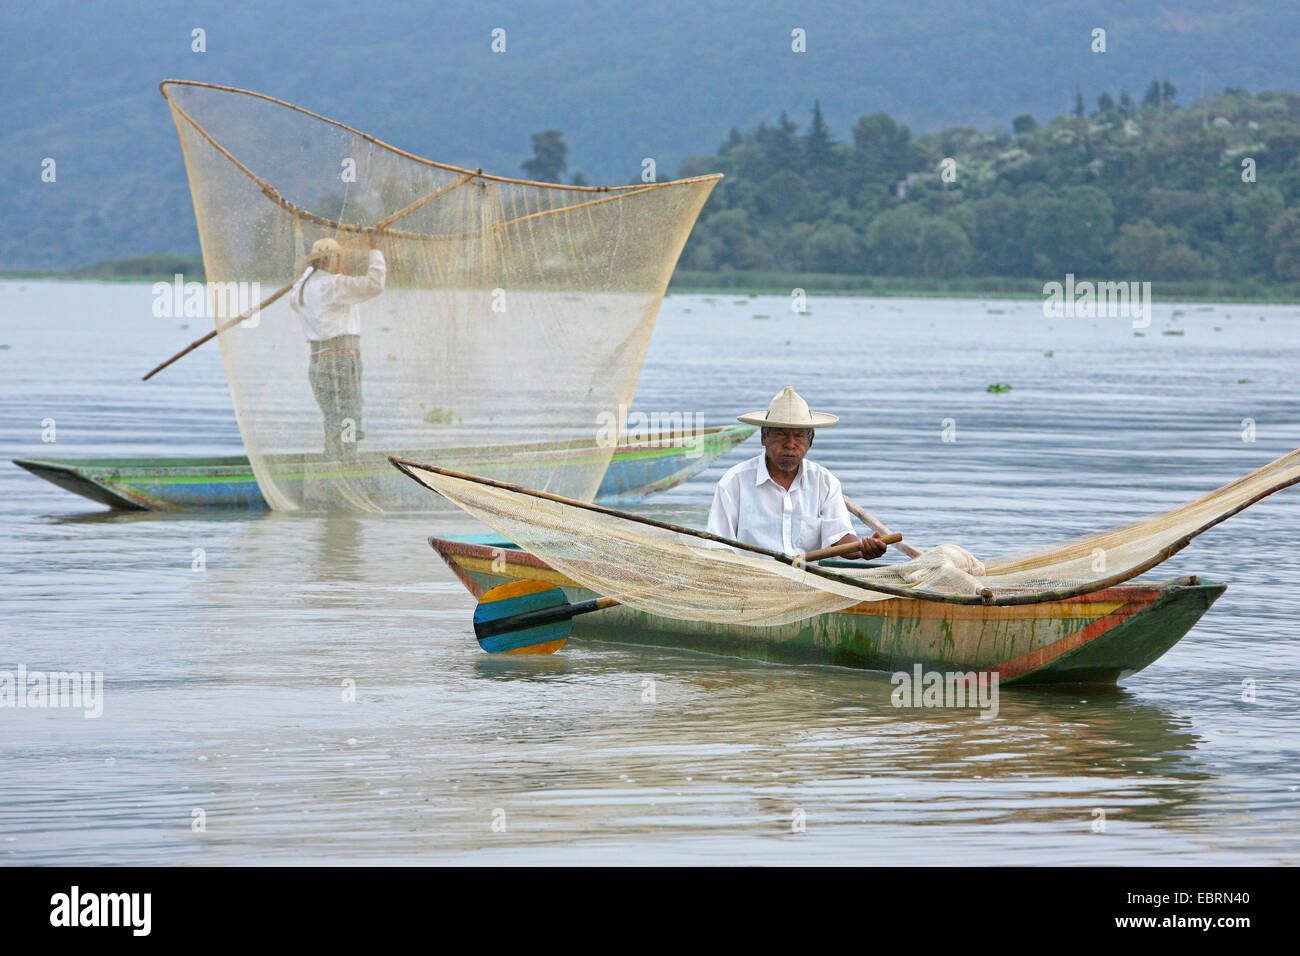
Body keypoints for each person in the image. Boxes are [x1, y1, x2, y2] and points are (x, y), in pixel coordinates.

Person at [706, 386, 888, 560]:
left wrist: (863, 549)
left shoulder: (824, 482)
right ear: (764, 437)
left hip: (806, 581)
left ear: (811, 439)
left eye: (799, 435)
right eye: (781, 434)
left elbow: (839, 538)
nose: (790, 444)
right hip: (749, 579)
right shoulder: (734, 482)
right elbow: (718, 548)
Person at [289, 233, 386, 459]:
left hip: (317, 364)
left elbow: (305, 281)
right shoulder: (332, 284)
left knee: (333, 415)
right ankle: (347, 457)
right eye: (339, 260)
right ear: (325, 262)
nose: (344, 264)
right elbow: (374, 285)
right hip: (341, 360)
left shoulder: (300, 289)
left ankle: (333, 456)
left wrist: (310, 269)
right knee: (349, 413)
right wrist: (375, 251)